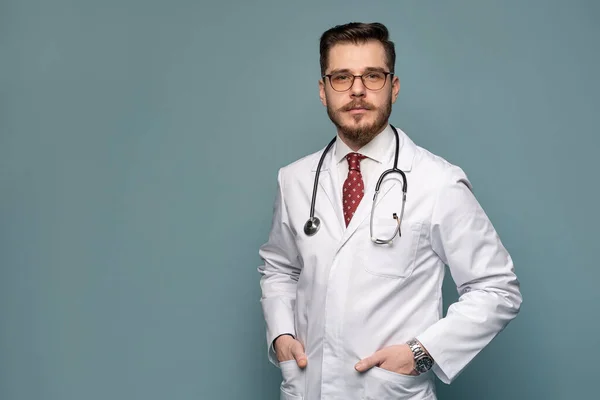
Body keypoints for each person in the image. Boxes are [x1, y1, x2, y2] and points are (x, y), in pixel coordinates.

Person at [257, 22, 522, 400]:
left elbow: (497, 287)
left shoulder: (438, 181)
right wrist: (282, 335)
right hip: (306, 388)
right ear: (323, 91)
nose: (357, 89)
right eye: (341, 77)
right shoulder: (295, 179)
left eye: (373, 76)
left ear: (393, 87)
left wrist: (422, 353)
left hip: (389, 391)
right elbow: (280, 266)